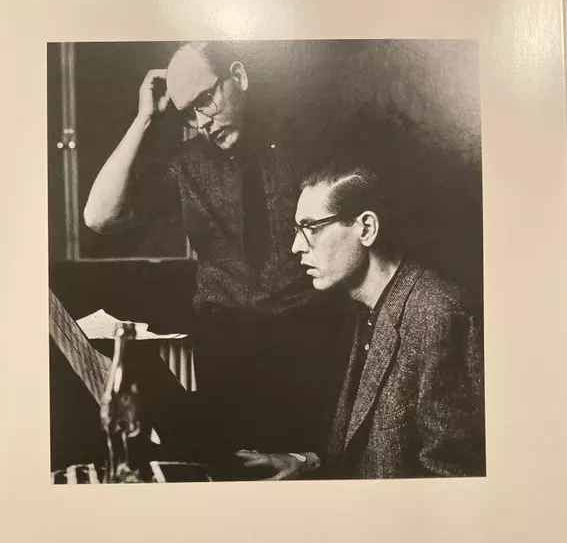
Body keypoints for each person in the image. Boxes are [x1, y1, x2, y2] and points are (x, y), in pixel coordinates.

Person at [83, 41, 344, 457]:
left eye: (205, 100)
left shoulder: (308, 144)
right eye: (188, 113)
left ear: (238, 77)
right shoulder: (188, 165)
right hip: (224, 354)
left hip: (309, 347)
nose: (201, 121)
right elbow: (99, 217)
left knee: (304, 470)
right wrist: (144, 119)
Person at [236, 161, 485, 479]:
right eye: (297, 230)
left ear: (366, 228)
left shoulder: (440, 314)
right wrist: (305, 462)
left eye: (311, 228)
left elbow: (453, 480)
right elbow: (370, 453)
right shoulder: (361, 307)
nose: (296, 247)